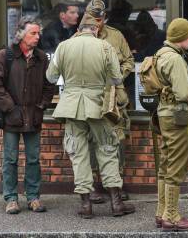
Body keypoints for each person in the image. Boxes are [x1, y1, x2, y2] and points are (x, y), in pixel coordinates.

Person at [46, 13, 135, 219]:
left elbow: (51, 77)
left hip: (71, 106)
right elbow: (116, 77)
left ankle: (86, 205)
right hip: (98, 106)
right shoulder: (105, 47)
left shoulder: (64, 46)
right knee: (108, 150)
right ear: (95, 29)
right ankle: (116, 203)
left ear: (79, 30)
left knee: (78, 153)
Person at [0, 17, 55, 214]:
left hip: (33, 116)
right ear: (21, 35)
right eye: (33, 33)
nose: (37, 36)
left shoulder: (41, 57)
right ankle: (11, 198)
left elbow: (49, 85)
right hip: (11, 117)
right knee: (10, 159)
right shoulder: (6, 55)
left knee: (33, 158)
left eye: (38, 33)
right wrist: (10, 107)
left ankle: (33, 197)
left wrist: (42, 105)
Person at [83, 0, 135, 203]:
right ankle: (94, 186)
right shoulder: (79, 37)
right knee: (90, 141)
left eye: (99, 18)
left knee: (117, 140)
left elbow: (129, 60)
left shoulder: (116, 36)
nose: (96, 21)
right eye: (92, 17)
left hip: (114, 96)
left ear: (105, 18)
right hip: (90, 95)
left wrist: (118, 77)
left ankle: (115, 185)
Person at [154, 18, 188, 231]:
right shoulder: (175, 59)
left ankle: (161, 212)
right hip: (178, 116)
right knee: (175, 168)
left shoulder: (161, 54)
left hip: (165, 114)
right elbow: (183, 93)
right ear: (180, 37)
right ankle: (171, 216)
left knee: (165, 166)